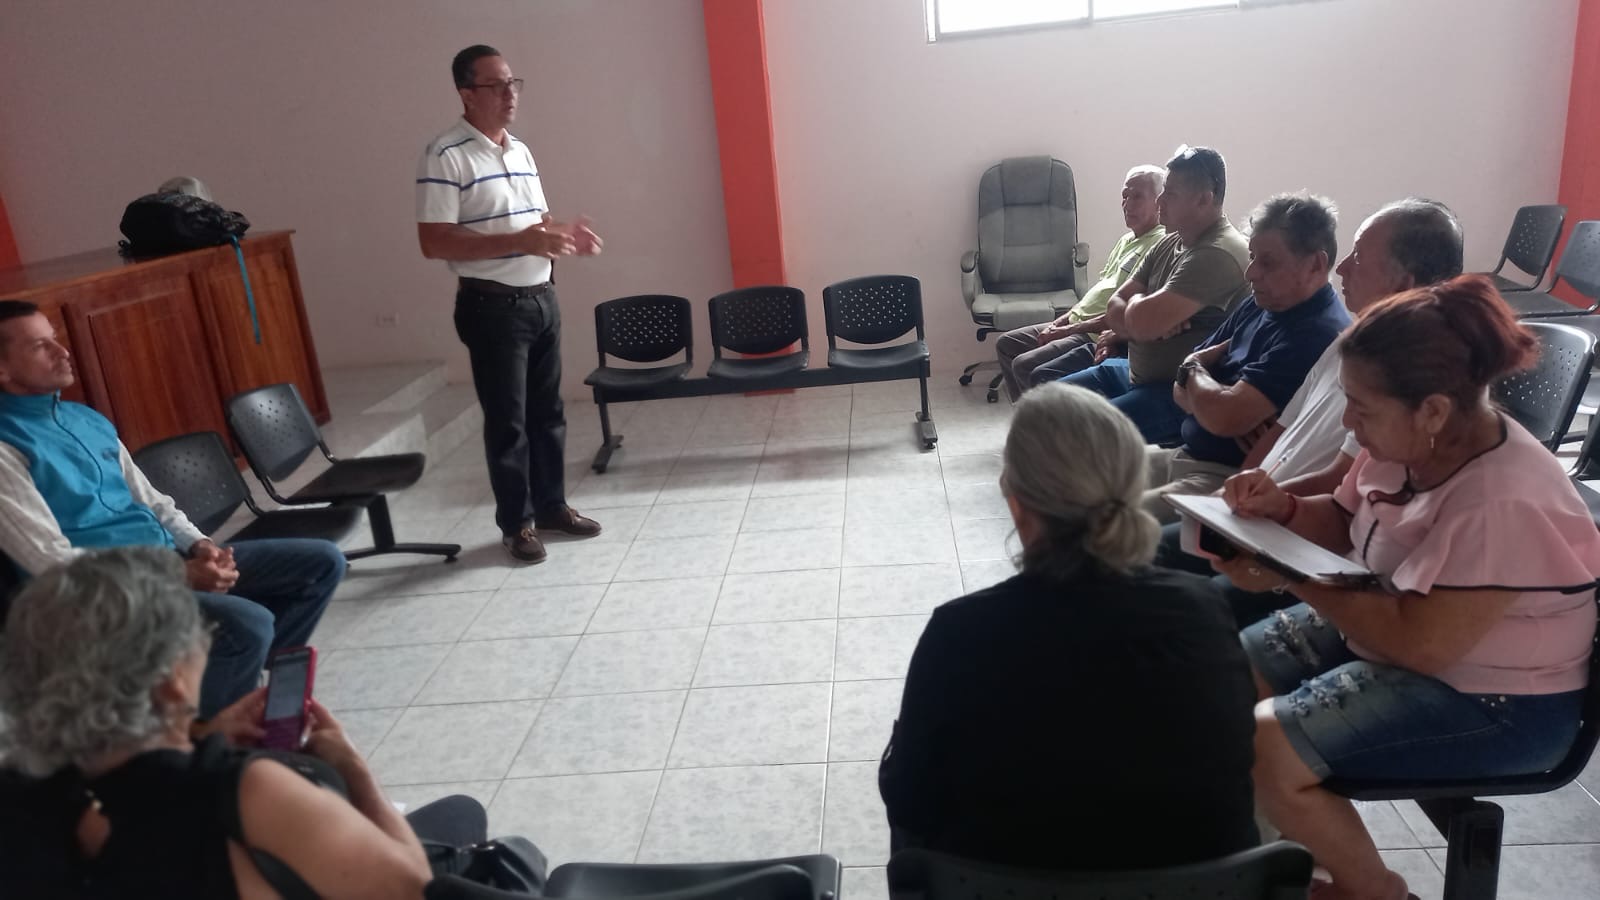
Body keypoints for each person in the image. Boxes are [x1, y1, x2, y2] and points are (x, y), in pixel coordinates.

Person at [1212, 276, 1600, 900]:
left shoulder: (1503, 498)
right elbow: (1344, 518)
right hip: (1409, 633)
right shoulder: (1411, 439)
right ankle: (1279, 848)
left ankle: (1375, 891)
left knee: (1270, 744)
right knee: (1227, 677)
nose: (1349, 422)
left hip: (1499, 702)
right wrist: (1282, 508)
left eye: (1361, 408)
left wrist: (1286, 574)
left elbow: (1419, 645)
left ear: (1433, 410)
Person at [878, 383, 1258, 871]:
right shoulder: (1204, 611)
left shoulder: (959, 632)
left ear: (1015, 499)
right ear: (1133, 488)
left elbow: (908, 796)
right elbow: (1232, 770)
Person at [0, 547, 472, 899]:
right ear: (172, 682)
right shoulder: (244, 790)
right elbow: (417, 889)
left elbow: (135, 812)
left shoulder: (26, 799)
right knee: (464, 818)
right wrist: (352, 768)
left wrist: (201, 737)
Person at [0, 300, 340, 718]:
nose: (62, 351)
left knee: (321, 563)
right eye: (40, 346)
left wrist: (200, 546)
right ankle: (205, 736)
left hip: (164, 561)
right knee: (245, 624)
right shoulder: (6, 445)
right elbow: (49, 563)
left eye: (55, 339)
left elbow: (152, 500)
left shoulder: (82, 419)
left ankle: (241, 697)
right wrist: (176, 575)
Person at [1154, 199, 1465, 627]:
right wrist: (1231, 498)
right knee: (1148, 554)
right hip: (1264, 512)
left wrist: (1265, 508)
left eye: (1358, 257)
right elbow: (1279, 433)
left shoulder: (1407, 381)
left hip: (1297, 537)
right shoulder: (1349, 341)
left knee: (1179, 599)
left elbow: (1341, 487)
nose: (1343, 268)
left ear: (1403, 283)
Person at [416, 44, 605, 565]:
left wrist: (564, 236)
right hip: (492, 308)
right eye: (496, 85)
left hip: (542, 298)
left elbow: (535, 226)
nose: (510, 94)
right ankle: (517, 524)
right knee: (509, 423)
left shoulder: (520, 150)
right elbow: (434, 241)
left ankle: (552, 507)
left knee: (549, 415)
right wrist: (522, 242)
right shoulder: (445, 154)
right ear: (466, 93)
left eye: (513, 83)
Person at [1143, 192, 1348, 523]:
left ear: (1316, 264)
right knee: (1082, 471)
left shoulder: (1316, 333)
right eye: (1252, 257)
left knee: (1106, 522)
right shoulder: (1259, 302)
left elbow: (1222, 415)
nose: (1251, 273)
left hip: (1222, 477)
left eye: (1268, 262)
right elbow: (1183, 388)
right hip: (1183, 452)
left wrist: (1197, 374)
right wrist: (1204, 386)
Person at [1057, 145, 1251, 444]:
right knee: (1048, 405)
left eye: (1170, 193)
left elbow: (1141, 321)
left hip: (1177, 391)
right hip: (1134, 373)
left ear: (1203, 199)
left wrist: (1140, 313)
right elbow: (1115, 308)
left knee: (1079, 436)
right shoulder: (1169, 242)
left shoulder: (1217, 253)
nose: (1159, 201)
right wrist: (1143, 314)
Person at [993, 165, 1167, 400]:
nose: (1127, 204)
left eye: (1138, 197)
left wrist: (1067, 330)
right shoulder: (1126, 240)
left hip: (1093, 333)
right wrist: (1061, 321)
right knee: (1006, 344)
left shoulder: (1159, 244)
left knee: (1025, 365)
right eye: (1125, 196)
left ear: (1159, 201)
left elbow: (1131, 311)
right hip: (1077, 320)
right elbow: (1098, 292)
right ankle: (1027, 414)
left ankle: (1039, 419)